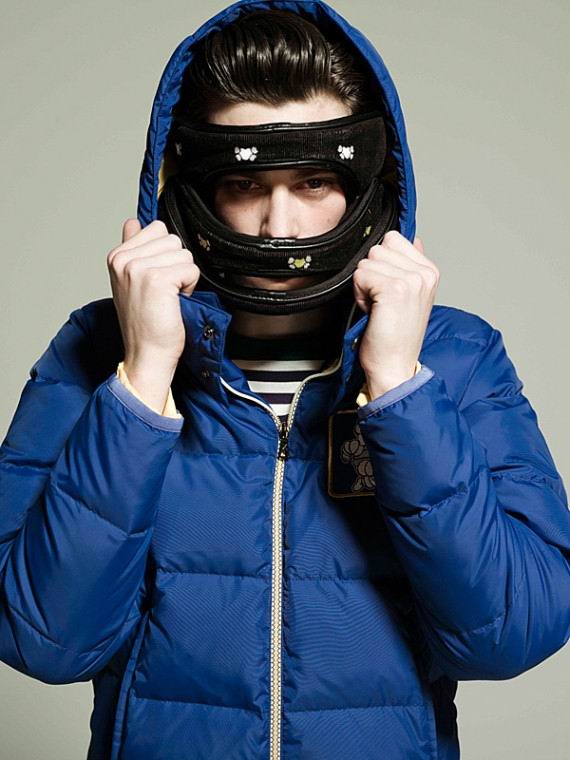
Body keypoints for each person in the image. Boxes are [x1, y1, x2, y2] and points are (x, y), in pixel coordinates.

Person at [0, 2, 568, 758]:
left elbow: (510, 635)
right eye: (245, 184)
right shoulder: (96, 349)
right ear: (192, 187)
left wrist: (401, 390)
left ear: (367, 185)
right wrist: (142, 380)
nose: (280, 226)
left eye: (314, 182)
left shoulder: (458, 359)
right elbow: (44, 639)